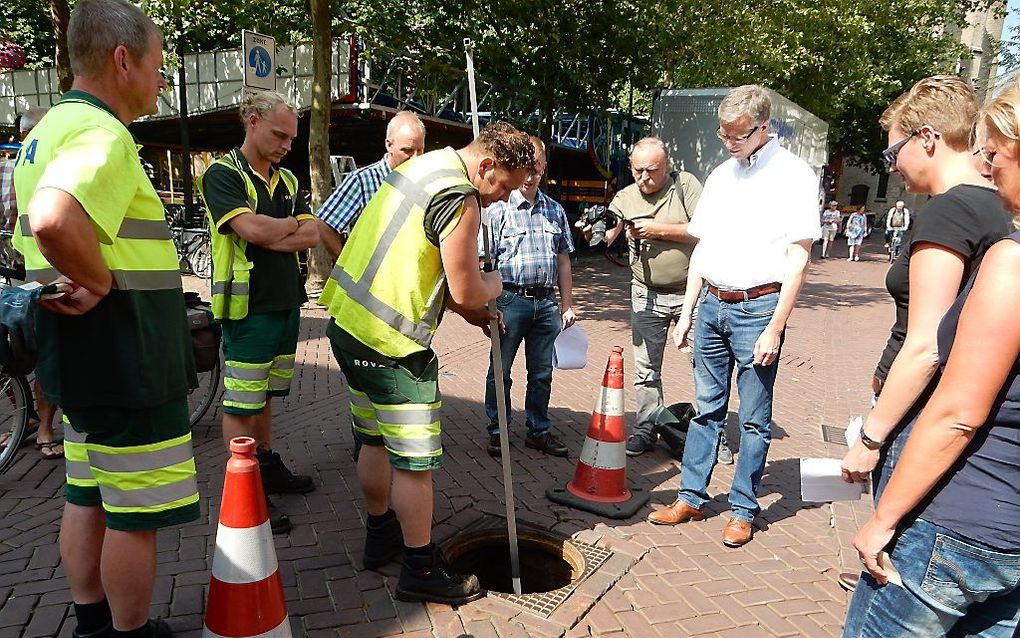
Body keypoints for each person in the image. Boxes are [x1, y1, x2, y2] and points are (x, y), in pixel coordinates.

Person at [12, 1, 198, 635]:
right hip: (127, 352)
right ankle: (131, 631)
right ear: (124, 60)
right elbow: (54, 219)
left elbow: (29, 234)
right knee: (134, 512)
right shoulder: (104, 134)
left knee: (86, 491)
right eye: (159, 65)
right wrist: (99, 280)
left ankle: (91, 621)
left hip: (72, 346)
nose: (161, 80)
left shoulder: (45, 129)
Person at [319, 121, 533, 604]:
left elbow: (416, 260)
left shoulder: (423, 167)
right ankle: (418, 566)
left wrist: (466, 309)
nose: (502, 198)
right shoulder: (461, 198)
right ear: (486, 166)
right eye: (504, 186)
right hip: (394, 347)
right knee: (415, 462)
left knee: (372, 438)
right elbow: (466, 287)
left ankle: (381, 536)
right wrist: (494, 286)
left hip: (349, 326)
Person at [841, 85, 1020, 638]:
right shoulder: (997, 220)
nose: (986, 167)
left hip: (960, 509)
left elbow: (948, 390)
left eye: (993, 153)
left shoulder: (987, 241)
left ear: (927, 138)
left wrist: (881, 509)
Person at [649, 85, 819, 548]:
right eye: (723, 134)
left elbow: (798, 257)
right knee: (706, 409)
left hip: (758, 307)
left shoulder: (794, 175)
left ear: (763, 127)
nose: (729, 142)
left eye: (738, 135)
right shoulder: (722, 174)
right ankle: (691, 496)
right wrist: (687, 313)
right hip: (712, 306)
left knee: (754, 419)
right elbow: (703, 247)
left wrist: (775, 327)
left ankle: (744, 507)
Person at [196, 90, 321, 535]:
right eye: (279, 135)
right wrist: (284, 228)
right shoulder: (222, 173)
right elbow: (247, 227)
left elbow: (311, 235)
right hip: (247, 309)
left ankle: (265, 466)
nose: (288, 145)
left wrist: (274, 232)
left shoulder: (286, 181)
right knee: (242, 401)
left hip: (286, 303)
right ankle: (245, 489)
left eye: (292, 138)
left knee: (266, 395)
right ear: (252, 121)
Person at [594, 137, 713, 459]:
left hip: (691, 292)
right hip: (645, 293)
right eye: (637, 170)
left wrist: (658, 230)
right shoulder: (625, 196)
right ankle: (646, 427)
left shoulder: (685, 185)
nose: (644, 178)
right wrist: (597, 231)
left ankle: (710, 436)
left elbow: (706, 230)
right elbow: (609, 227)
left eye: (652, 171)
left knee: (703, 365)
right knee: (646, 368)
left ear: (667, 167)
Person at [482, 135, 574, 458]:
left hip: (546, 304)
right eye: (526, 169)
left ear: (544, 167)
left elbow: (563, 260)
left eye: (536, 168)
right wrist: (489, 304)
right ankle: (498, 431)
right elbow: (486, 263)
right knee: (500, 369)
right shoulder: (497, 211)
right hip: (509, 300)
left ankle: (538, 429)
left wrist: (566, 304)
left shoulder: (556, 211)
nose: (531, 175)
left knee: (541, 373)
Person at [0, 107, 62, 461]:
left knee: (16, 351)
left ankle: (27, 417)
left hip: (24, 263)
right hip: (44, 265)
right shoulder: (46, 157)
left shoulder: (15, 161)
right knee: (47, 350)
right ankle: (43, 428)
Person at [315, 111, 426, 260]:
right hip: (372, 282)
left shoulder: (424, 183)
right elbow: (324, 223)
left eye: (420, 150)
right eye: (408, 150)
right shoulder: (362, 180)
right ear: (389, 145)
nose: (415, 157)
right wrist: (347, 266)